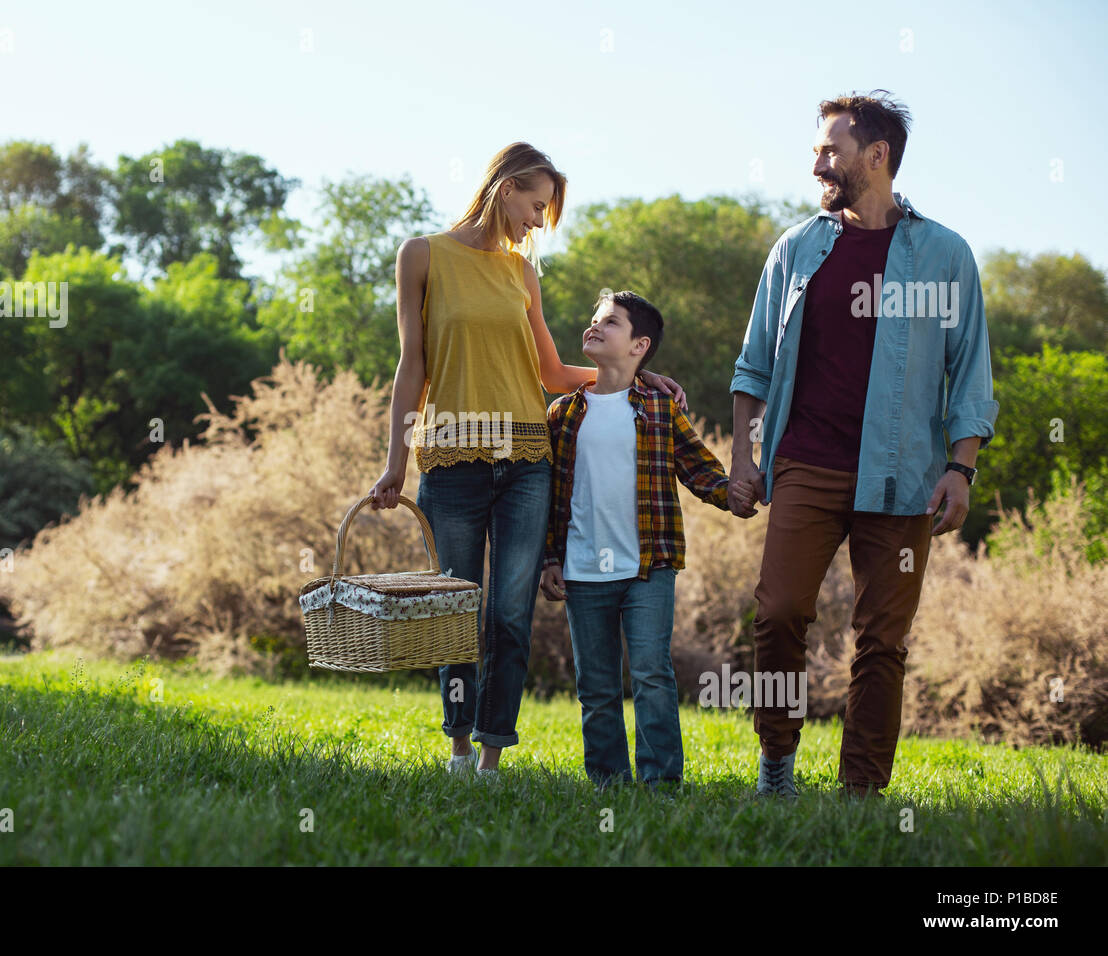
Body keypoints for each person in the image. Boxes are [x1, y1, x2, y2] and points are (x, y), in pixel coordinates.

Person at [368, 143, 689, 777]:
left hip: (525, 462)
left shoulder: (521, 273)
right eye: (536, 205)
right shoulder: (423, 254)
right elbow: (413, 366)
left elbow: (548, 371)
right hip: (451, 460)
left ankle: (491, 755)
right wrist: (395, 462)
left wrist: (635, 377)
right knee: (453, 613)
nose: (538, 222)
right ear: (505, 188)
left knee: (509, 616)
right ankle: (458, 747)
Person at [729, 92, 999, 798]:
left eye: (830, 149)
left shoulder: (944, 254)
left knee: (882, 640)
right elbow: (753, 364)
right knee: (779, 611)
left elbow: (970, 371)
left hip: (903, 478)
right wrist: (743, 457)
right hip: (806, 465)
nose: (817, 161)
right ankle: (777, 765)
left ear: (876, 155)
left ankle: (862, 793)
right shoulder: (796, 248)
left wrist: (960, 468)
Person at [539, 291, 745, 793]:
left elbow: (698, 467)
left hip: (648, 566)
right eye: (594, 320)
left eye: (610, 322)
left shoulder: (658, 405)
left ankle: (661, 782)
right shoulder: (562, 413)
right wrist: (549, 557)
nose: (594, 327)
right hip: (583, 572)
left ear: (639, 345)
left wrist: (734, 494)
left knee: (652, 673)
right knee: (596, 685)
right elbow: (548, 494)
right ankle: (607, 780)